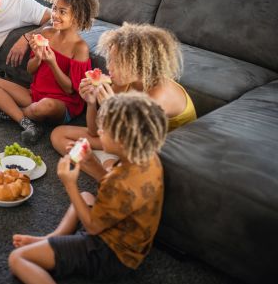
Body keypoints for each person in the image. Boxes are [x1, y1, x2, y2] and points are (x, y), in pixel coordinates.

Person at [9, 92, 167, 284]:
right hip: (132, 247)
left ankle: (52, 249)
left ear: (123, 140)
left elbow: (92, 227)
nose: (99, 132)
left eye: (105, 130)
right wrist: (91, 161)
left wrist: (70, 184)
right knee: (86, 196)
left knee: (18, 258)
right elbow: (114, 190)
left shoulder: (119, 182)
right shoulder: (148, 159)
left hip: (108, 255)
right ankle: (52, 238)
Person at [50, 22, 196, 173]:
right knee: (58, 135)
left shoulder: (158, 97)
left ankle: (103, 174)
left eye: (116, 62)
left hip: (146, 148)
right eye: (109, 59)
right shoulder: (124, 82)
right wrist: (91, 103)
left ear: (140, 64)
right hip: (120, 138)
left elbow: (128, 142)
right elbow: (95, 131)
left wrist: (112, 108)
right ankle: (107, 164)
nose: (109, 67)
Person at [0, 0, 99, 145]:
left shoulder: (80, 48)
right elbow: (31, 70)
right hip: (35, 94)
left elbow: (70, 89)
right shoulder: (46, 33)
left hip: (61, 103)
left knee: (43, 107)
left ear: (78, 17)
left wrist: (52, 63)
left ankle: (11, 113)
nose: (55, 15)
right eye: (54, 8)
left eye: (62, 12)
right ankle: (26, 122)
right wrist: (37, 57)